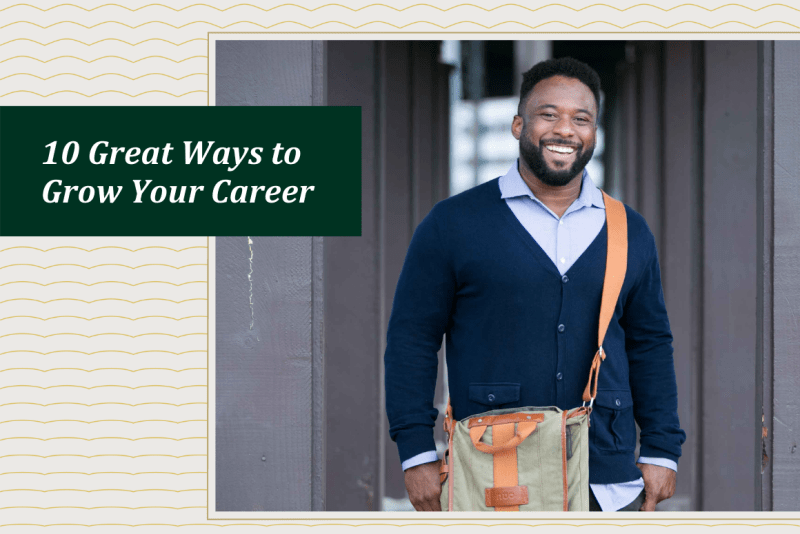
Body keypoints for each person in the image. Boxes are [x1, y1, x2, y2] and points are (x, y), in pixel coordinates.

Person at [384, 57, 686, 512]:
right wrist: (416, 452)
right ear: (518, 124)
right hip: (496, 469)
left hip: (606, 476)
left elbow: (650, 344)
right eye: (549, 114)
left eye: (581, 119)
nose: (565, 129)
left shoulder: (629, 229)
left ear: (594, 135)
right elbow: (412, 340)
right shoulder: (452, 224)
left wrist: (662, 448)